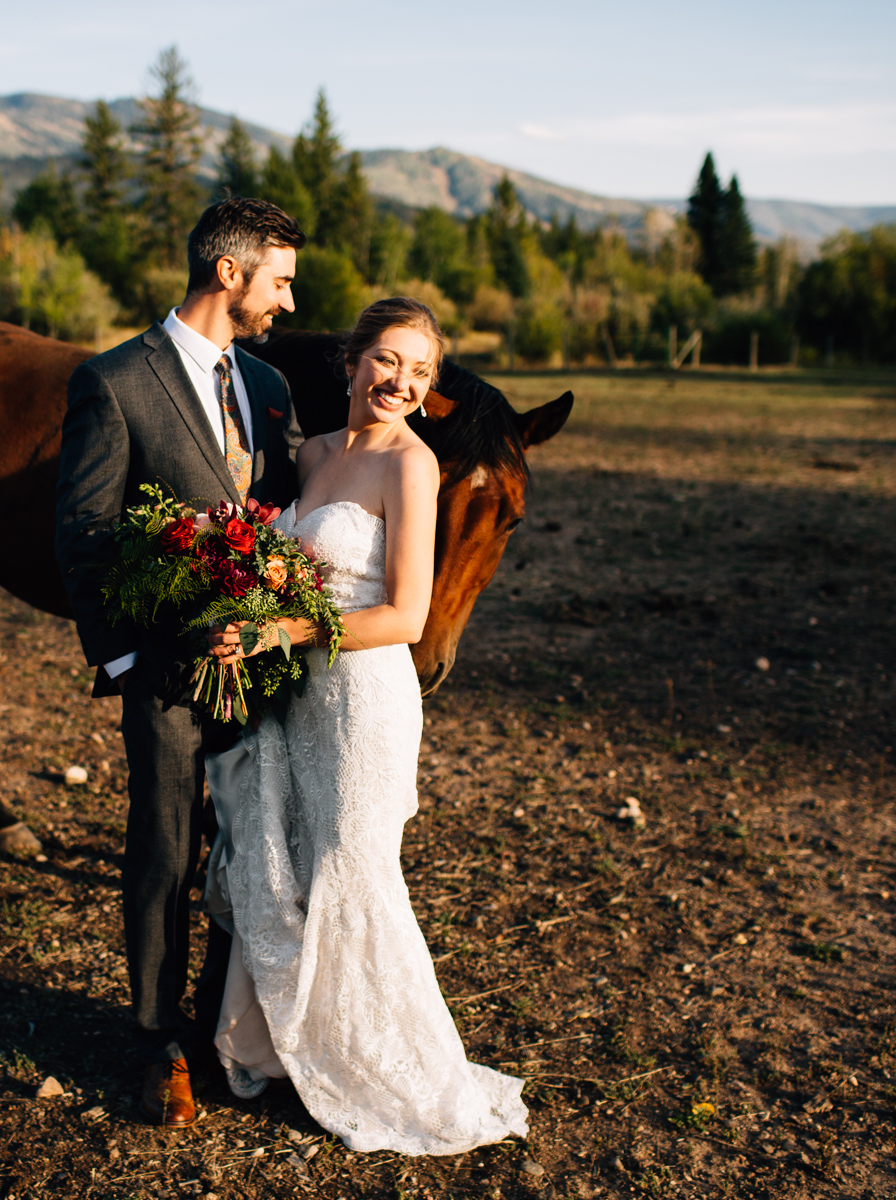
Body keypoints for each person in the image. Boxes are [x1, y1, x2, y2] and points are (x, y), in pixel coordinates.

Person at [202, 298, 529, 1155]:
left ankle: (385, 1070)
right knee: (292, 860)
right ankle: (295, 1053)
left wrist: (288, 630)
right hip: (298, 698)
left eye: (419, 372)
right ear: (351, 364)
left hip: (365, 699)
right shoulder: (311, 455)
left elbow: (408, 616)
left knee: (355, 868)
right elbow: (278, 558)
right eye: (388, 361)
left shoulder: (413, 466)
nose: (401, 382)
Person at [55, 198, 307, 1127]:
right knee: (164, 849)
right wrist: (126, 661)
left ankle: (223, 1018)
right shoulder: (116, 381)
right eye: (278, 281)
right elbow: (82, 534)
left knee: (252, 851)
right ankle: (157, 1040)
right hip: (163, 676)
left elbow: (290, 511)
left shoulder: (273, 388)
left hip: (264, 675)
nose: (286, 301)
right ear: (229, 273)